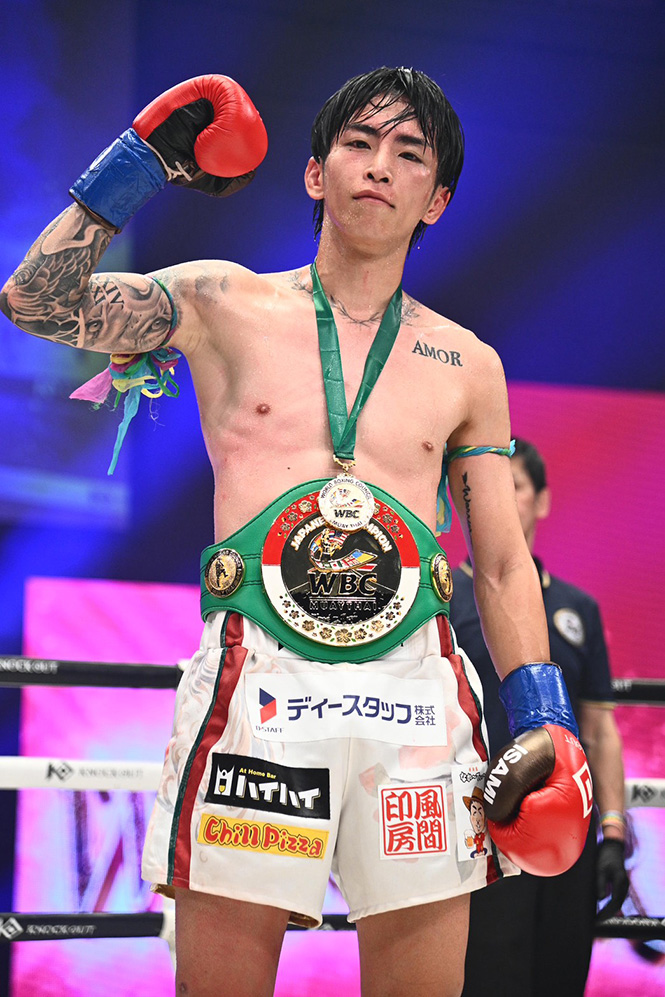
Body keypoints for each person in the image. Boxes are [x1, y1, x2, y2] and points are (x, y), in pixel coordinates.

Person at [1, 68, 593, 997]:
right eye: (358, 143)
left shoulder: (467, 364)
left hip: (414, 694)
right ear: (315, 172)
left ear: (436, 199)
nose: (379, 166)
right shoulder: (219, 301)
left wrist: (545, 717)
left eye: (409, 154)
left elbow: (503, 563)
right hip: (259, 680)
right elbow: (34, 301)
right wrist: (139, 164)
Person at [451, 437, 629, 997]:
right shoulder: (443, 600)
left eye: (517, 487)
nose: (504, 501)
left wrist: (614, 832)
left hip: (567, 836)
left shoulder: (579, 608)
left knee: (560, 980)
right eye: (492, 487)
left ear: (543, 500)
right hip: (475, 833)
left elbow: (600, 732)